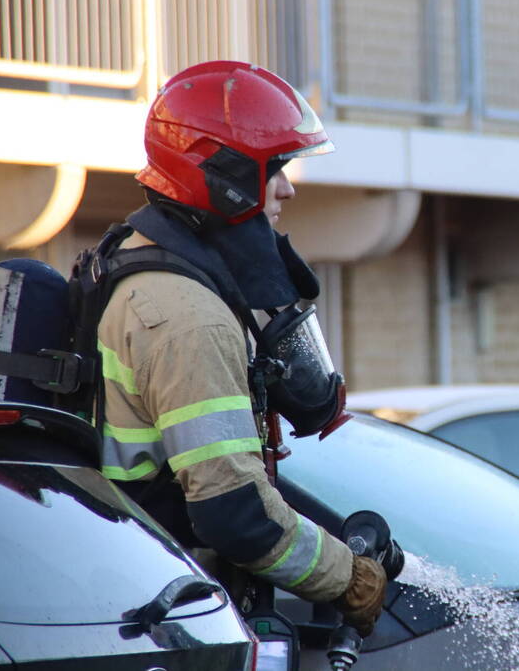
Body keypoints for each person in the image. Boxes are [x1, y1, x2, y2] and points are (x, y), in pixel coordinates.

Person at [95, 61, 385, 635]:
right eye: (274, 168)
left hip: (153, 601)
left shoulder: (143, 261)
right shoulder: (188, 319)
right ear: (224, 176)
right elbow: (235, 514)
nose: (288, 188)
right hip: (175, 618)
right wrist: (348, 579)